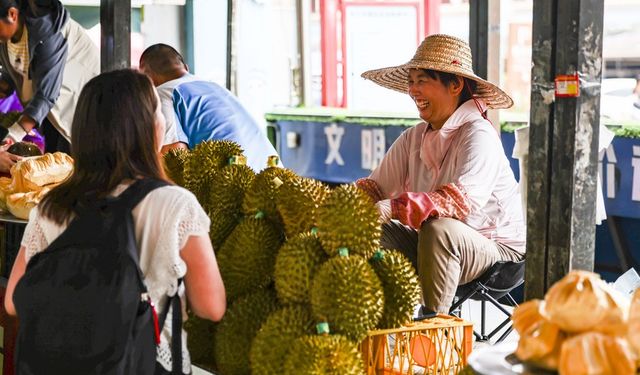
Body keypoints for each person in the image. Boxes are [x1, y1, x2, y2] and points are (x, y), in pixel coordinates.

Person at [4, 69, 226, 373]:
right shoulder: (175, 204)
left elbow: (13, 302)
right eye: (158, 112)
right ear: (148, 128)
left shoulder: (51, 206)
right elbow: (211, 306)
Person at [357, 34, 525, 315]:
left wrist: (394, 207)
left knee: (439, 228)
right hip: (434, 245)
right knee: (369, 227)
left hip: (500, 256)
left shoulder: (478, 134)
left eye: (422, 80)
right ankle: (377, 320)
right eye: (411, 81)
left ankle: (433, 329)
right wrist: (337, 210)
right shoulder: (413, 138)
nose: (413, 90)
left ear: (455, 84)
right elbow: (374, 188)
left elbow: (459, 204)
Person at [139, 43, 279, 171]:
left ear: (148, 79)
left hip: (236, 186)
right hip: (274, 177)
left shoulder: (163, 94)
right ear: (186, 68)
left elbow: (174, 159)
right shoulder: (215, 87)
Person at [0, 0, 99, 153]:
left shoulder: (47, 31)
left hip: (76, 106)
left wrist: (13, 135)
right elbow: (10, 76)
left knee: (73, 161)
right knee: (54, 160)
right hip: (48, 112)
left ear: (12, 14)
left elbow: (46, 95)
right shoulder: (5, 38)